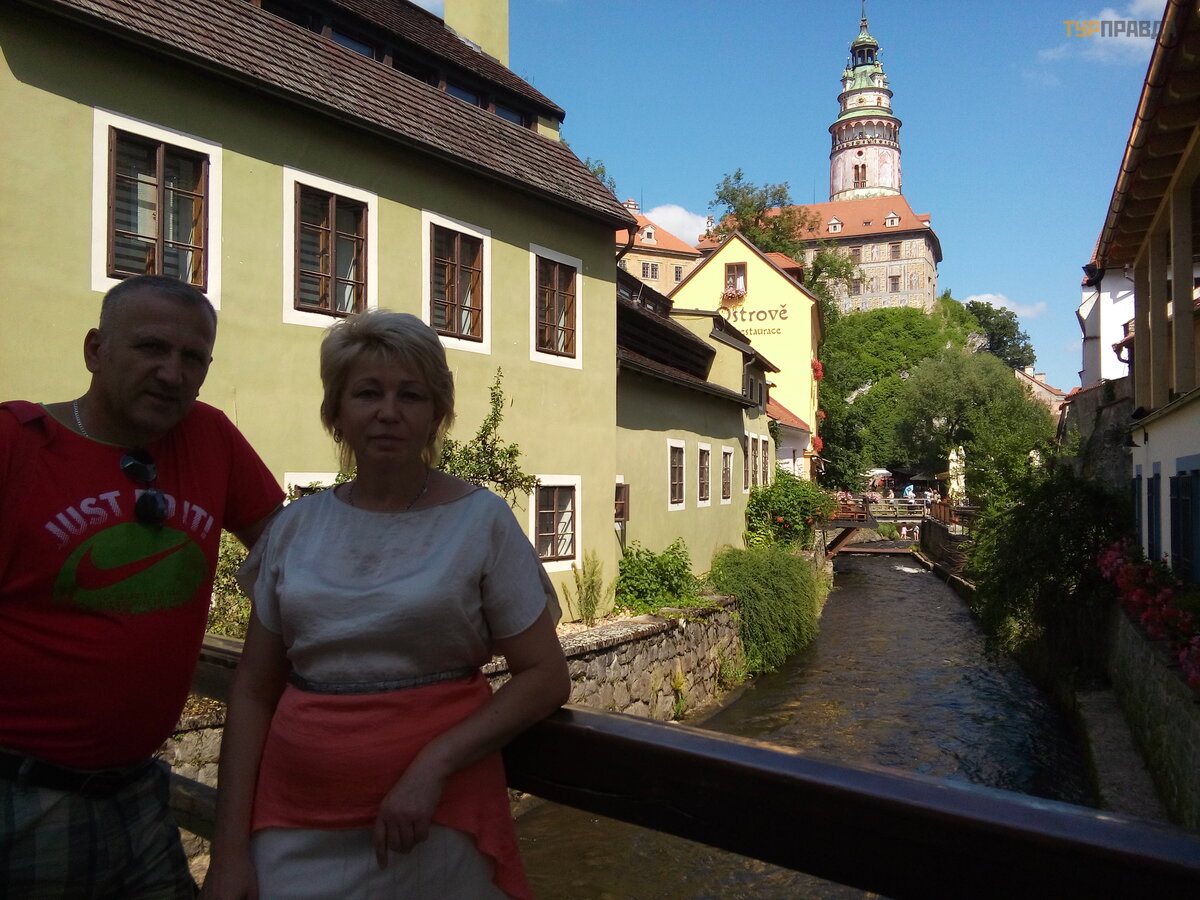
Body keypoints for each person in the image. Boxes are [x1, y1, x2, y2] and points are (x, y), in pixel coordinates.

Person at [203, 311, 569, 899]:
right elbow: (252, 691)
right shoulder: (296, 527)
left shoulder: (481, 521)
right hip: (296, 815)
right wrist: (228, 853)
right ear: (336, 413)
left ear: (436, 415)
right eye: (368, 393)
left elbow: (546, 677)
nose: (389, 412)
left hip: (435, 819)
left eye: (411, 395)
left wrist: (434, 764)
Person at [0, 275, 285, 897]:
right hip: (20, 798)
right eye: (151, 347)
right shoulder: (16, 444)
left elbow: (293, 554)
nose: (172, 373)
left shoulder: (210, 437)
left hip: (137, 793)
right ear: (95, 350)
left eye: (193, 358)